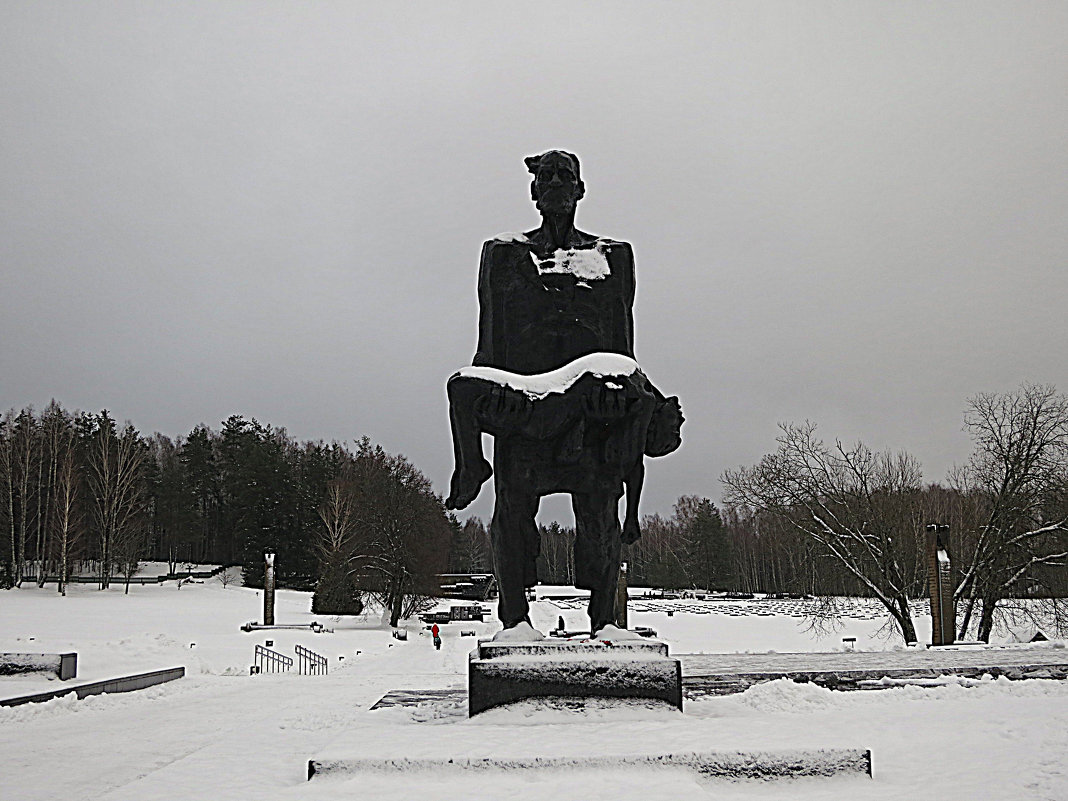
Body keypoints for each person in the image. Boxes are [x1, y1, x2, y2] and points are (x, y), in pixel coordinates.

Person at [446, 151, 682, 638]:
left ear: (580, 189)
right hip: (527, 405)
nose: (554, 183)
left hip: (594, 417)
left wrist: (629, 401)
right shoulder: (503, 253)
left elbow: (621, 342)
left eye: (564, 176)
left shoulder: (614, 256)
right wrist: (490, 397)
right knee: (512, 510)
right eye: (545, 176)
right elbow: (489, 341)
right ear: (534, 192)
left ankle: (605, 623)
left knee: (600, 517)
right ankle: (514, 621)